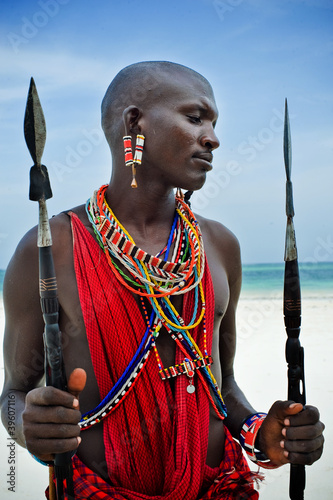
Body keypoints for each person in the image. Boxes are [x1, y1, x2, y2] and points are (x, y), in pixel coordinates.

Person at [0, 61, 324, 499]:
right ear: (135, 122)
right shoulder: (49, 248)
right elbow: (15, 394)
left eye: (213, 123)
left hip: (220, 487)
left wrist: (263, 433)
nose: (212, 137)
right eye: (195, 118)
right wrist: (30, 426)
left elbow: (221, 384)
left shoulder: (219, 245)